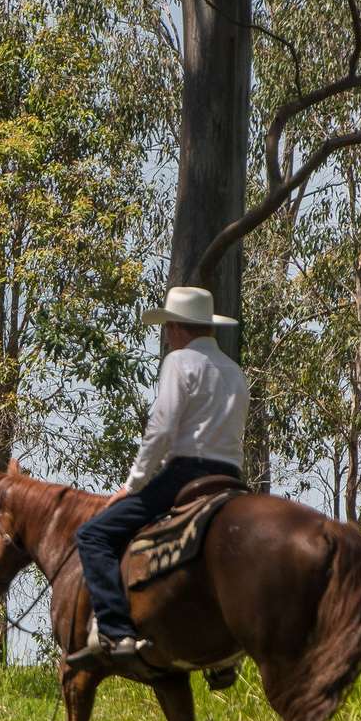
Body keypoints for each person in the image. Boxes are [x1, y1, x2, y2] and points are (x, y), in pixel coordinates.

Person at [66, 285, 249, 670]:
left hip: (186, 474)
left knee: (94, 535)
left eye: (168, 326)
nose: (166, 334)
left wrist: (132, 485)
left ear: (178, 328)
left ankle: (116, 632)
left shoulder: (180, 362)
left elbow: (162, 429)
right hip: (232, 476)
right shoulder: (234, 371)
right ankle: (223, 657)